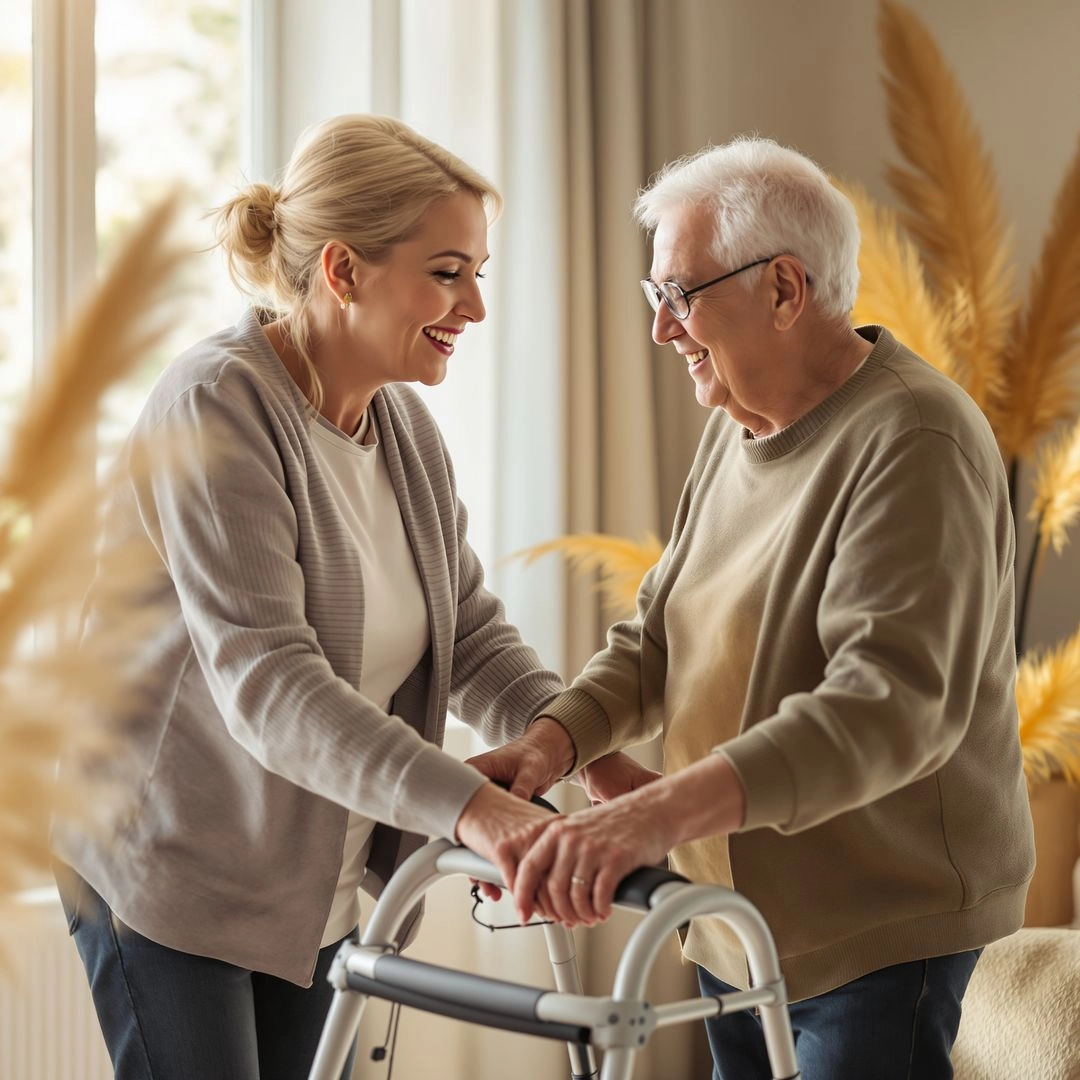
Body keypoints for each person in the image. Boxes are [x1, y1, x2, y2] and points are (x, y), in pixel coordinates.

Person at [469, 136, 1036, 1080]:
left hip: (875, 926)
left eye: (679, 295)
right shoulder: (739, 424)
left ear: (784, 289)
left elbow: (888, 706)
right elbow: (657, 641)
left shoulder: (915, 437)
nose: (661, 329)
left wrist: (653, 819)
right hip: (736, 920)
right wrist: (552, 744)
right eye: (657, 296)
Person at [51, 113, 574, 1080]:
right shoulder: (217, 403)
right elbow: (270, 681)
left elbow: (467, 634)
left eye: (479, 274)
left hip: (308, 884)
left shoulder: (403, 428)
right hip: (165, 861)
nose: (476, 309)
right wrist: (474, 808)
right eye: (448, 272)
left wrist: (580, 743)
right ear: (343, 271)